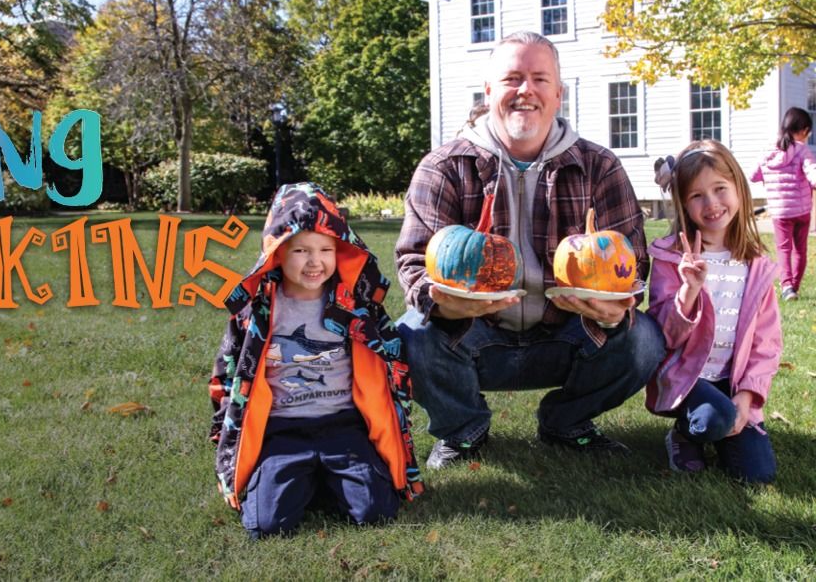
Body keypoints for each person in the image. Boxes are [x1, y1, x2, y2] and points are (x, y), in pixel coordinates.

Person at [395, 31, 666, 469]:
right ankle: (464, 430)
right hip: (473, 333)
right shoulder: (445, 167)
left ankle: (566, 422)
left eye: (540, 79)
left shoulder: (598, 167)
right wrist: (443, 303)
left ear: (558, 94)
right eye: (512, 78)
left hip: (571, 331)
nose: (526, 90)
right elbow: (414, 260)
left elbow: (630, 258)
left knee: (644, 340)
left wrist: (618, 303)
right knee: (412, 334)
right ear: (489, 92)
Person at [209, 182, 422, 538]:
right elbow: (228, 370)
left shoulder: (354, 305)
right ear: (277, 252)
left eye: (326, 249)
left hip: (343, 425)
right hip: (282, 430)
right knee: (265, 525)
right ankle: (300, 476)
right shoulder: (257, 311)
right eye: (300, 250)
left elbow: (390, 358)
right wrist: (224, 427)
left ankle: (328, 477)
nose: (315, 262)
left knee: (377, 512)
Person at [647, 141, 780, 483]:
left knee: (757, 474)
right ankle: (686, 432)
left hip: (731, 381)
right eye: (697, 196)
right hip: (687, 375)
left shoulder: (756, 265)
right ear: (683, 203)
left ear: (738, 187)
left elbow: (766, 343)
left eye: (720, 189)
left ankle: (722, 426)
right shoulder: (671, 258)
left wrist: (746, 396)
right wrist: (689, 290)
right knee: (713, 419)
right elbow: (665, 335)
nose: (712, 204)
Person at [751, 107, 816, 301]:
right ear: (804, 130)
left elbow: (753, 176)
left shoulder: (768, 152)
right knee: (800, 250)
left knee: (784, 249)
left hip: (780, 212)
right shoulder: (802, 150)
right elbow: (813, 175)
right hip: (802, 211)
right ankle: (793, 287)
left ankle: (787, 286)